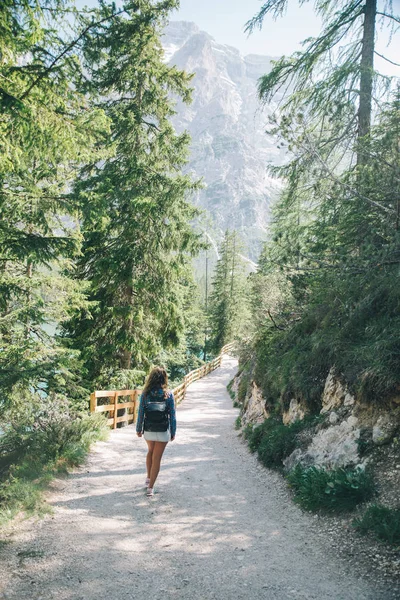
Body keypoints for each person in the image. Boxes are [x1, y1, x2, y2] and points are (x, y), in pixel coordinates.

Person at [136, 366, 176, 496]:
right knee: (157, 458)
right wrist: (173, 431)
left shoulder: (145, 394)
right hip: (163, 430)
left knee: (150, 452)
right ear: (164, 378)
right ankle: (151, 488)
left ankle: (148, 478)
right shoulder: (168, 394)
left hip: (149, 430)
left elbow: (141, 412)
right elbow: (172, 415)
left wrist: (139, 429)